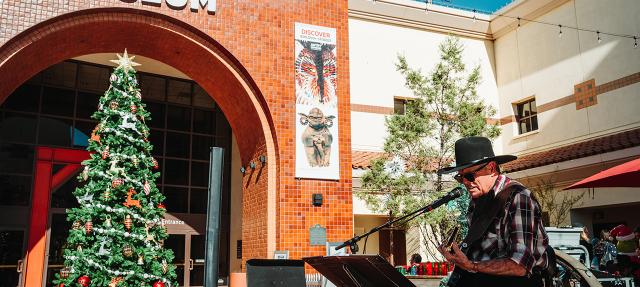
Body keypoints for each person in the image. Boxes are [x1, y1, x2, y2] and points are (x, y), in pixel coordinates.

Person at [435, 137, 550, 287]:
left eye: (469, 175)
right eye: (460, 177)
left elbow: (519, 265)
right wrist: (459, 258)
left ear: (491, 168)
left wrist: (472, 266)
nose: (465, 182)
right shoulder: (477, 201)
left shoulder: (519, 197)